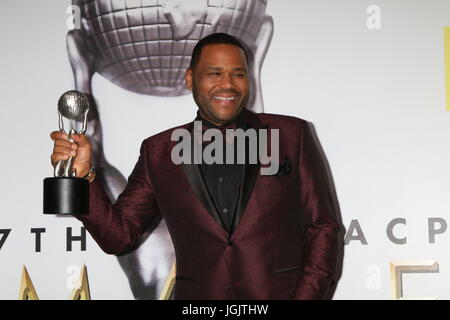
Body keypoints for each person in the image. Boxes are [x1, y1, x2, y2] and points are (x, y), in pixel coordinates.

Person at [50, 33, 341, 299]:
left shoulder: (291, 136)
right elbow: (119, 236)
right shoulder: (160, 152)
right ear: (191, 79)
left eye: (238, 74)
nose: (227, 84)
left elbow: (323, 228)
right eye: (214, 73)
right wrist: (83, 179)